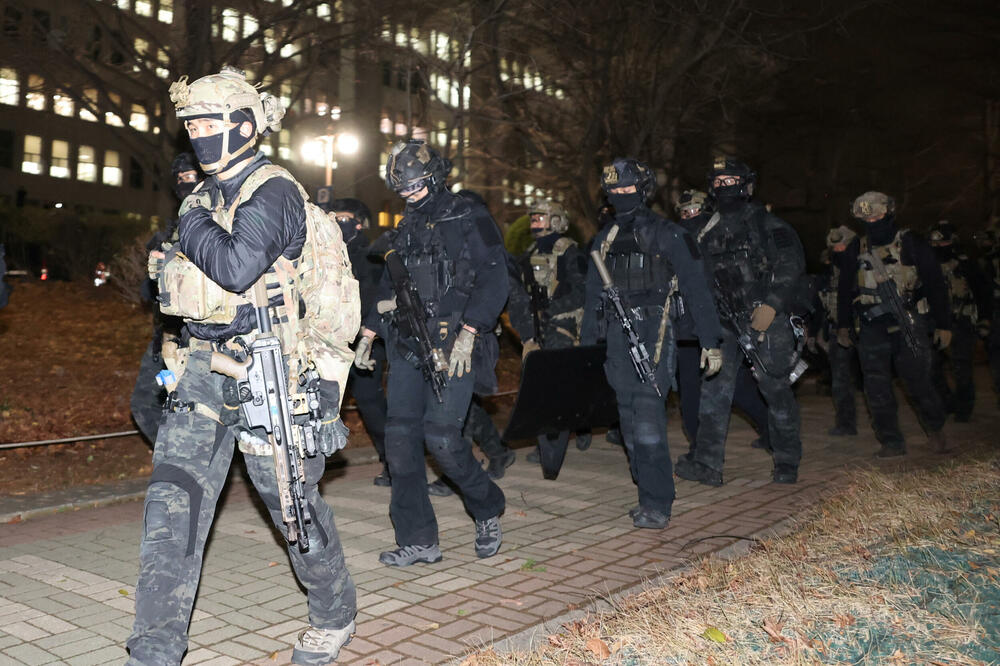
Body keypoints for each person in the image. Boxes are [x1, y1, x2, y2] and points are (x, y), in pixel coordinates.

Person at [128, 67, 359, 666]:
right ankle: (153, 651)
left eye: (210, 122)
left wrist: (189, 219)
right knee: (171, 503)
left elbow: (234, 267)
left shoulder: (274, 191)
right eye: (192, 124)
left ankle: (334, 613)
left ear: (245, 126)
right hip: (204, 364)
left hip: (272, 369)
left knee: (290, 505)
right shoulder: (205, 197)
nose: (200, 135)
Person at [354, 139, 507, 566]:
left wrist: (472, 329)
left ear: (435, 175)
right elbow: (390, 285)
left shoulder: (467, 215)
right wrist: (368, 331)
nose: (409, 193)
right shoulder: (404, 228)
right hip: (407, 344)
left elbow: (496, 276)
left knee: (442, 439)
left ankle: (487, 506)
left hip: (455, 342)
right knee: (400, 442)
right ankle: (418, 539)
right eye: (402, 188)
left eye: (416, 185)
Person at [581, 158, 723, 529]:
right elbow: (593, 297)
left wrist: (710, 341)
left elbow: (696, 289)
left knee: (646, 420)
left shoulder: (670, 234)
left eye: (628, 189)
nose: (621, 196)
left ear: (642, 190)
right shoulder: (605, 238)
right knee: (627, 423)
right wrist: (584, 352)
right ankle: (648, 492)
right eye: (614, 191)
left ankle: (658, 502)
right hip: (616, 339)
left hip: (654, 336)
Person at [675, 158, 806, 487]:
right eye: (718, 183)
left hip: (766, 319)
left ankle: (787, 460)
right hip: (724, 322)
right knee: (713, 392)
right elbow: (698, 281)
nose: (725, 187)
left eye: (731, 180)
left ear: (747, 185)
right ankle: (707, 464)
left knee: (775, 390)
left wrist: (772, 306)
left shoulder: (767, 224)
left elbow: (791, 266)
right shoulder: (707, 232)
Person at [835, 191, 950, 456]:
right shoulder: (858, 247)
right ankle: (891, 441)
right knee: (875, 386)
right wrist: (843, 324)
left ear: (889, 212)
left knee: (918, 381)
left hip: (908, 321)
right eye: (866, 217)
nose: (872, 221)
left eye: (877, 214)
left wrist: (944, 324)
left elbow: (935, 283)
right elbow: (845, 289)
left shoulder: (910, 242)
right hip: (871, 326)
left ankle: (936, 429)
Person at [672, 189, 771, 453]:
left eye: (694, 211)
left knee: (736, 388)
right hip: (685, 327)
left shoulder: (720, 236)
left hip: (719, 325)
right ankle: (698, 447)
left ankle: (772, 430)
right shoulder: (676, 239)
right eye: (684, 213)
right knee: (691, 391)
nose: (689, 217)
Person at [508, 198, 591, 474]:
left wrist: (554, 309)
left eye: (539, 218)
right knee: (540, 390)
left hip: (562, 328)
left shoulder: (570, 252)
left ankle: (555, 449)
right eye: (532, 218)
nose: (534, 223)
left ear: (556, 220)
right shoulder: (530, 252)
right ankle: (549, 442)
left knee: (558, 391)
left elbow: (583, 291)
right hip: (538, 330)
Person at [130, 153, 200, 446]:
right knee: (147, 400)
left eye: (192, 176)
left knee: (204, 413)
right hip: (168, 343)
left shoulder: (222, 225)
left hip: (204, 343)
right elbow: (151, 295)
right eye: (180, 178)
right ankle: (173, 460)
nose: (185, 183)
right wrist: (157, 267)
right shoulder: (170, 233)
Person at [328, 197, 392, 485]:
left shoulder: (369, 255)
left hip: (365, 340)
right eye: (334, 218)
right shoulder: (328, 251)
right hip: (333, 341)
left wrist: (366, 335)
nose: (337, 224)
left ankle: (393, 463)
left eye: (343, 219)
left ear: (357, 223)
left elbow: (373, 298)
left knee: (371, 404)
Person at [927, 220, 990, 421]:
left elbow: (982, 292)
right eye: (935, 243)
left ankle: (964, 407)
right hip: (935, 322)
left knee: (961, 368)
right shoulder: (928, 265)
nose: (938, 247)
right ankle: (948, 402)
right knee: (930, 366)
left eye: (942, 243)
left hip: (961, 321)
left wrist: (985, 319)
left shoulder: (966, 264)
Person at [821, 225, 861, 435]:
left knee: (874, 380)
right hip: (839, 329)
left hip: (866, 328)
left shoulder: (863, 266)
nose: (839, 250)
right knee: (840, 381)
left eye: (843, 246)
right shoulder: (833, 269)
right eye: (835, 247)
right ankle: (846, 424)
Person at [973, 224, 1000, 403]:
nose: (983, 243)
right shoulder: (982, 262)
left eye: (987, 240)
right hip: (992, 308)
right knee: (995, 349)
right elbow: (981, 291)